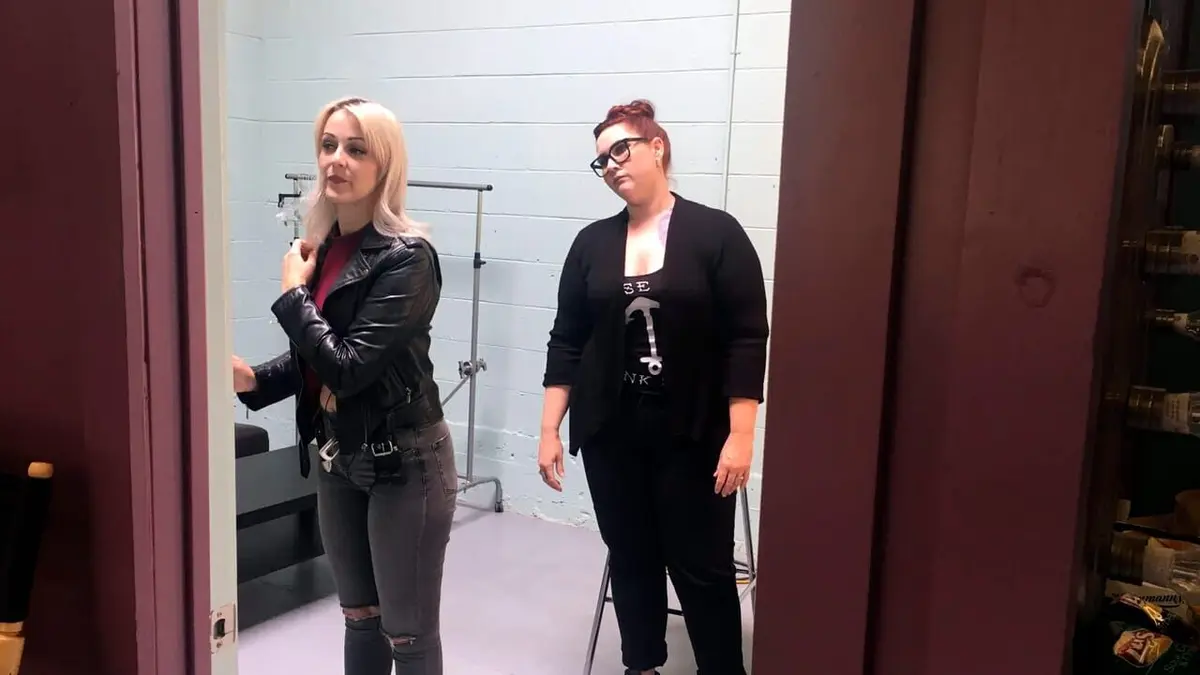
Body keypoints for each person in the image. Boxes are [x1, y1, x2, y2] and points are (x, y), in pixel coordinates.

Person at [538, 99, 769, 675]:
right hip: (611, 432)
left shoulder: (715, 233)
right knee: (632, 556)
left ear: (657, 147)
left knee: (702, 565)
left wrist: (742, 436)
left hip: (693, 432)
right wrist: (549, 429)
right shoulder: (591, 244)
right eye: (602, 160)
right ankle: (640, 665)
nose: (611, 165)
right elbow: (566, 340)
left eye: (622, 149)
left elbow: (746, 337)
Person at [231, 96, 455, 675]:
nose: (336, 160)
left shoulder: (408, 258)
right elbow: (317, 353)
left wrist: (293, 295)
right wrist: (254, 379)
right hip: (339, 454)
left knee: (407, 633)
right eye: (328, 146)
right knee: (359, 615)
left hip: (404, 463)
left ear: (385, 165)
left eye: (356, 150)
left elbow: (350, 366)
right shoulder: (328, 247)